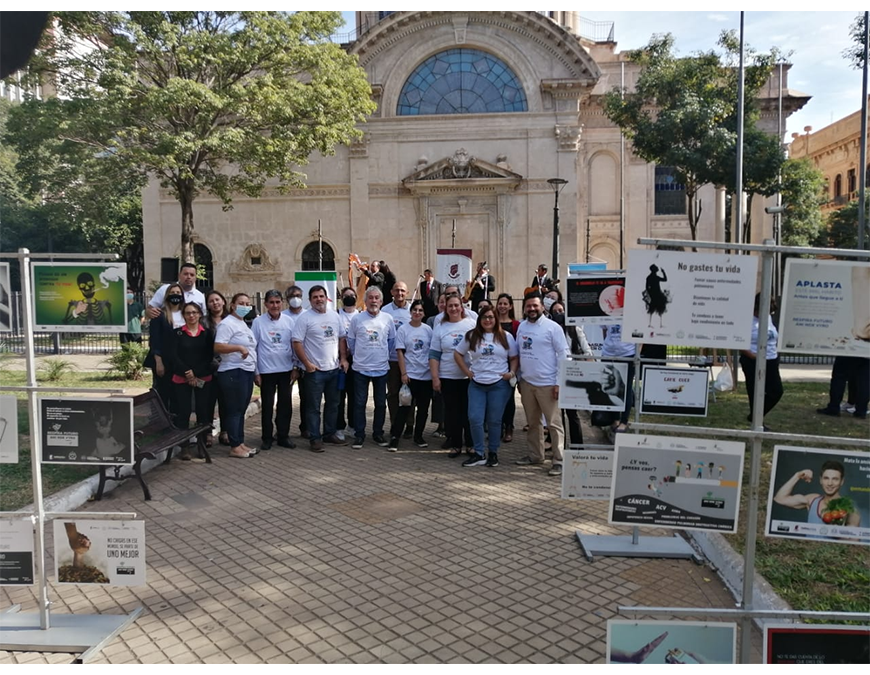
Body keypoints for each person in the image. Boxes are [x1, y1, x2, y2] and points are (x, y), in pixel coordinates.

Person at [454, 305, 518, 467]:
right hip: (477, 384)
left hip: (499, 385)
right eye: (484, 317)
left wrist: (511, 373)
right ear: (479, 320)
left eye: (491, 317)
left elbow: (514, 357)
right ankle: (479, 453)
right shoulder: (472, 336)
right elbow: (457, 353)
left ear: (496, 319)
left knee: (494, 421)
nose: (488, 320)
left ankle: (493, 453)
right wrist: (467, 372)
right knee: (475, 418)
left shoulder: (506, 336)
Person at [515, 293, 569, 476]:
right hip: (528, 383)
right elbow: (520, 354)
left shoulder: (553, 328)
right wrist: (520, 380)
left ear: (542, 307)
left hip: (548, 384)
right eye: (528, 306)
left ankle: (559, 460)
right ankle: (535, 456)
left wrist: (559, 383)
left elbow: (563, 355)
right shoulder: (522, 327)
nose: (531, 309)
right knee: (533, 423)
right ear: (524, 308)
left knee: (554, 424)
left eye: (535, 306)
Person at [292, 285, 347, 452]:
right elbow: (296, 342)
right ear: (310, 300)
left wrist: (343, 358)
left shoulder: (334, 316)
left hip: (333, 369)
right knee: (313, 407)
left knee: (333, 404)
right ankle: (315, 438)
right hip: (314, 372)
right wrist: (307, 364)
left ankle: (329, 433)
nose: (319, 299)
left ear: (326, 298)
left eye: (321, 296)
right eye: (315, 297)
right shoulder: (304, 318)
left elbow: (341, 338)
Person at [345, 286, 396, 449]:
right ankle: (359, 435)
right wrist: (361, 354)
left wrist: (380, 354)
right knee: (359, 403)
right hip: (360, 368)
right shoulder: (357, 319)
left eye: (376, 298)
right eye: (370, 298)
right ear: (365, 301)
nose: (373, 301)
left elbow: (391, 342)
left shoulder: (388, 319)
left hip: (381, 368)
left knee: (380, 404)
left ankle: (378, 433)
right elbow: (351, 342)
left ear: (381, 301)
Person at [430, 294, 477, 458]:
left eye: (456, 305)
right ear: (445, 308)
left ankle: (471, 444)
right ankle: (456, 445)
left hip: (469, 377)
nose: (454, 308)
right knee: (452, 413)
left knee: (469, 412)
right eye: (450, 306)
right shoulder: (440, 328)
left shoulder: (471, 324)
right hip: (448, 377)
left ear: (462, 307)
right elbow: (434, 355)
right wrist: (435, 377)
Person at [167, 301, 214, 460]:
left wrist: (196, 374)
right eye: (188, 313)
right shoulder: (177, 333)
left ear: (200, 314)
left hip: (203, 378)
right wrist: (188, 373)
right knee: (184, 412)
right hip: (182, 378)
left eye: (194, 312)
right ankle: (184, 446)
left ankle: (201, 444)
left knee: (203, 411)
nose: (191, 315)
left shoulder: (207, 334)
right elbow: (173, 356)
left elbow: (209, 356)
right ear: (184, 315)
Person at [214, 293, 258, 459]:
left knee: (240, 410)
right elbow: (218, 346)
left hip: (245, 371)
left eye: (247, 303)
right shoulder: (227, 324)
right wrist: (238, 348)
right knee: (234, 410)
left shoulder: (243, 324)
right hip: (233, 371)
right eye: (241, 303)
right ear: (232, 305)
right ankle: (234, 446)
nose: (245, 306)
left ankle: (240, 443)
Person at [251, 289, 297, 451]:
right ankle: (267, 437)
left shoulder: (289, 321)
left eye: (277, 302)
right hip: (266, 371)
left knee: (285, 405)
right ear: (265, 304)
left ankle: (283, 436)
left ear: (282, 303)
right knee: (268, 405)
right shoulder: (258, 322)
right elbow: (253, 347)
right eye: (271, 302)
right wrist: (256, 372)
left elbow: (294, 345)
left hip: (286, 370)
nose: (275, 305)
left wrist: (295, 366)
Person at [389, 299, 434, 451]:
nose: (417, 313)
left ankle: (418, 436)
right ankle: (395, 437)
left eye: (420, 310)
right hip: (410, 376)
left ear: (424, 313)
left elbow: (432, 353)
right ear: (411, 312)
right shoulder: (403, 330)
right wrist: (404, 373)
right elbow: (400, 352)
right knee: (404, 408)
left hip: (426, 376)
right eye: (415, 310)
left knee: (423, 409)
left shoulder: (428, 330)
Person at [551, 300, 593, 446]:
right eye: (555, 311)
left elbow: (588, 352)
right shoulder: (550, 331)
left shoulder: (575, 330)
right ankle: (559, 445)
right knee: (557, 415)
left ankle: (577, 445)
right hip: (554, 376)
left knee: (572, 414)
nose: (558, 314)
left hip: (572, 376)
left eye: (561, 310)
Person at [773, 460, 861, 527]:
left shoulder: (850, 509)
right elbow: (779, 498)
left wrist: (838, 527)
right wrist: (797, 476)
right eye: (826, 478)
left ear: (842, 481)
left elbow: (852, 541)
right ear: (820, 480)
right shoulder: (812, 500)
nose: (830, 483)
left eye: (835, 479)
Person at [740, 293, 783, 429]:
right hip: (752, 360)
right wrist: (754, 356)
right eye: (760, 312)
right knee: (755, 393)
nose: (764, 314)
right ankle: (758, 424)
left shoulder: (768, 317)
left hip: (771, 359)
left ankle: (755, 416)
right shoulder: (747, 320)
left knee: (776, 391)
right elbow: (740, 343)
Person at [143, 282, 185, 413]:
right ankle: (160, 422)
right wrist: (158, 362)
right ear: (167, 296)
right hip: (163, 360)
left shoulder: (187, 314)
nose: (175, 296)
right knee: (162, 392)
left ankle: (176, 422)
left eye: (178, 293)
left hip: (180, 360)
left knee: (178, 393)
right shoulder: (159, 315)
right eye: (172, 293)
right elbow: (155, 340)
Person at [382, 281, 414, 436]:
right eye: (396, 290)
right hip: (392, 360)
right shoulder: (385, 311)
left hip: (411, 360)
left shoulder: (413, 310)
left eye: (402, 290)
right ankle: (395, 424)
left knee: (410, 394)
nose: (399, 293)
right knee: (393, 393)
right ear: (391, 292)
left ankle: (409, 425)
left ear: (407, 293)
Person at [202, 290, 229, 447]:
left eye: (217, 299)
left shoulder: (231, 320)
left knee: (225, 401)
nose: (215, 303)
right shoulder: (203, 322)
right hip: (208, 367)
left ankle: (225, 431)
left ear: (223, 301)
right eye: (211, 301)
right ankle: (207, 432)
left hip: (227, 366)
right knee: (208, 402)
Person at [283, 285, 309, 439]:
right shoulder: (282, 316)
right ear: (287, 299)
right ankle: (283, 431)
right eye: (292, 295)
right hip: (286, 364)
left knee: (306, 398)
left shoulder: (307, 315)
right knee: (285, 400)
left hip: (305, 363)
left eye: (298, 295)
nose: (296, 298)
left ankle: (305, 428)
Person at [601, 323, 636, 434]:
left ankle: (624, 421)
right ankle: (615, 418)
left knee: (627, 387)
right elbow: (605, 330)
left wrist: (637, 353)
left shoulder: (632, 311)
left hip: (628, 353)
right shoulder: (609, 310)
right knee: (612, 386)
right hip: (608, 354)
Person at [496, 293, 519, 442]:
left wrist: (513, 371)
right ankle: (498, 427)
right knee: (495, 401)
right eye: (500, 303)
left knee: (509, 399)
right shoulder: (492, 322)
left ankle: (509, 427)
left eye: (505, 303)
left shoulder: (516, 325)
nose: (502, 306)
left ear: (510, 306)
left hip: (510, 367)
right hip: (495, 368)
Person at [336, 286, 359, 437]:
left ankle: (353, 425)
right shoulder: (336, 315)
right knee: (339, 395)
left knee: (354, 394)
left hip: (356, 360)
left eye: (352, 295)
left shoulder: (361, 315)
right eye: (346, 295)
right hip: (339, 360)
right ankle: (338, 427)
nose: (349, 297)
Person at [643, 264, 670, 328]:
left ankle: (652, 323)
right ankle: (657, 324)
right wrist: (663, 272)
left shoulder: (649, 277)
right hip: (656, 294)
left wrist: (650, 293)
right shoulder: (655, 277)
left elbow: (647, 287)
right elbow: (665, 279)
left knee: (653, 308)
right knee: (659, 308)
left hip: (654, 294)